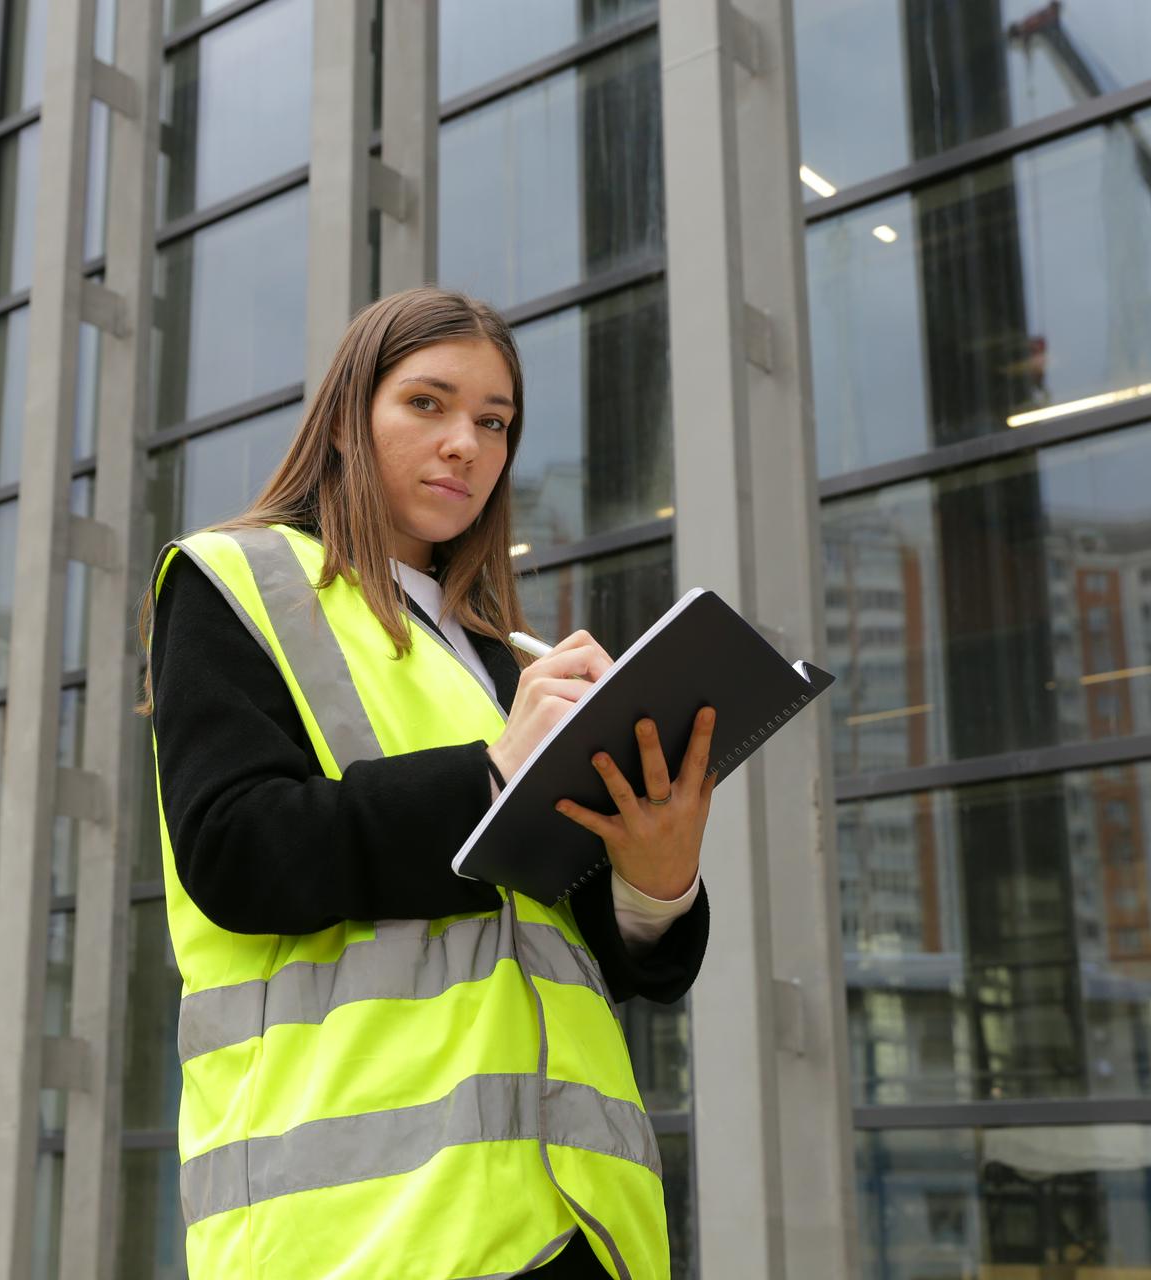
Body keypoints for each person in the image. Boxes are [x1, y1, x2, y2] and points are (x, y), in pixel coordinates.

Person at [137, 286, 718, 1278]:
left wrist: (655, 883)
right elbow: (233, 852)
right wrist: (495, 774)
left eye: (495, 423)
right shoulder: (237, 580)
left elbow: (577, 949)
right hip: (367, 1223)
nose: (467, 444)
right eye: (428, 404)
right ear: (349, 417)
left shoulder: (497, 658)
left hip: (579, 1221)